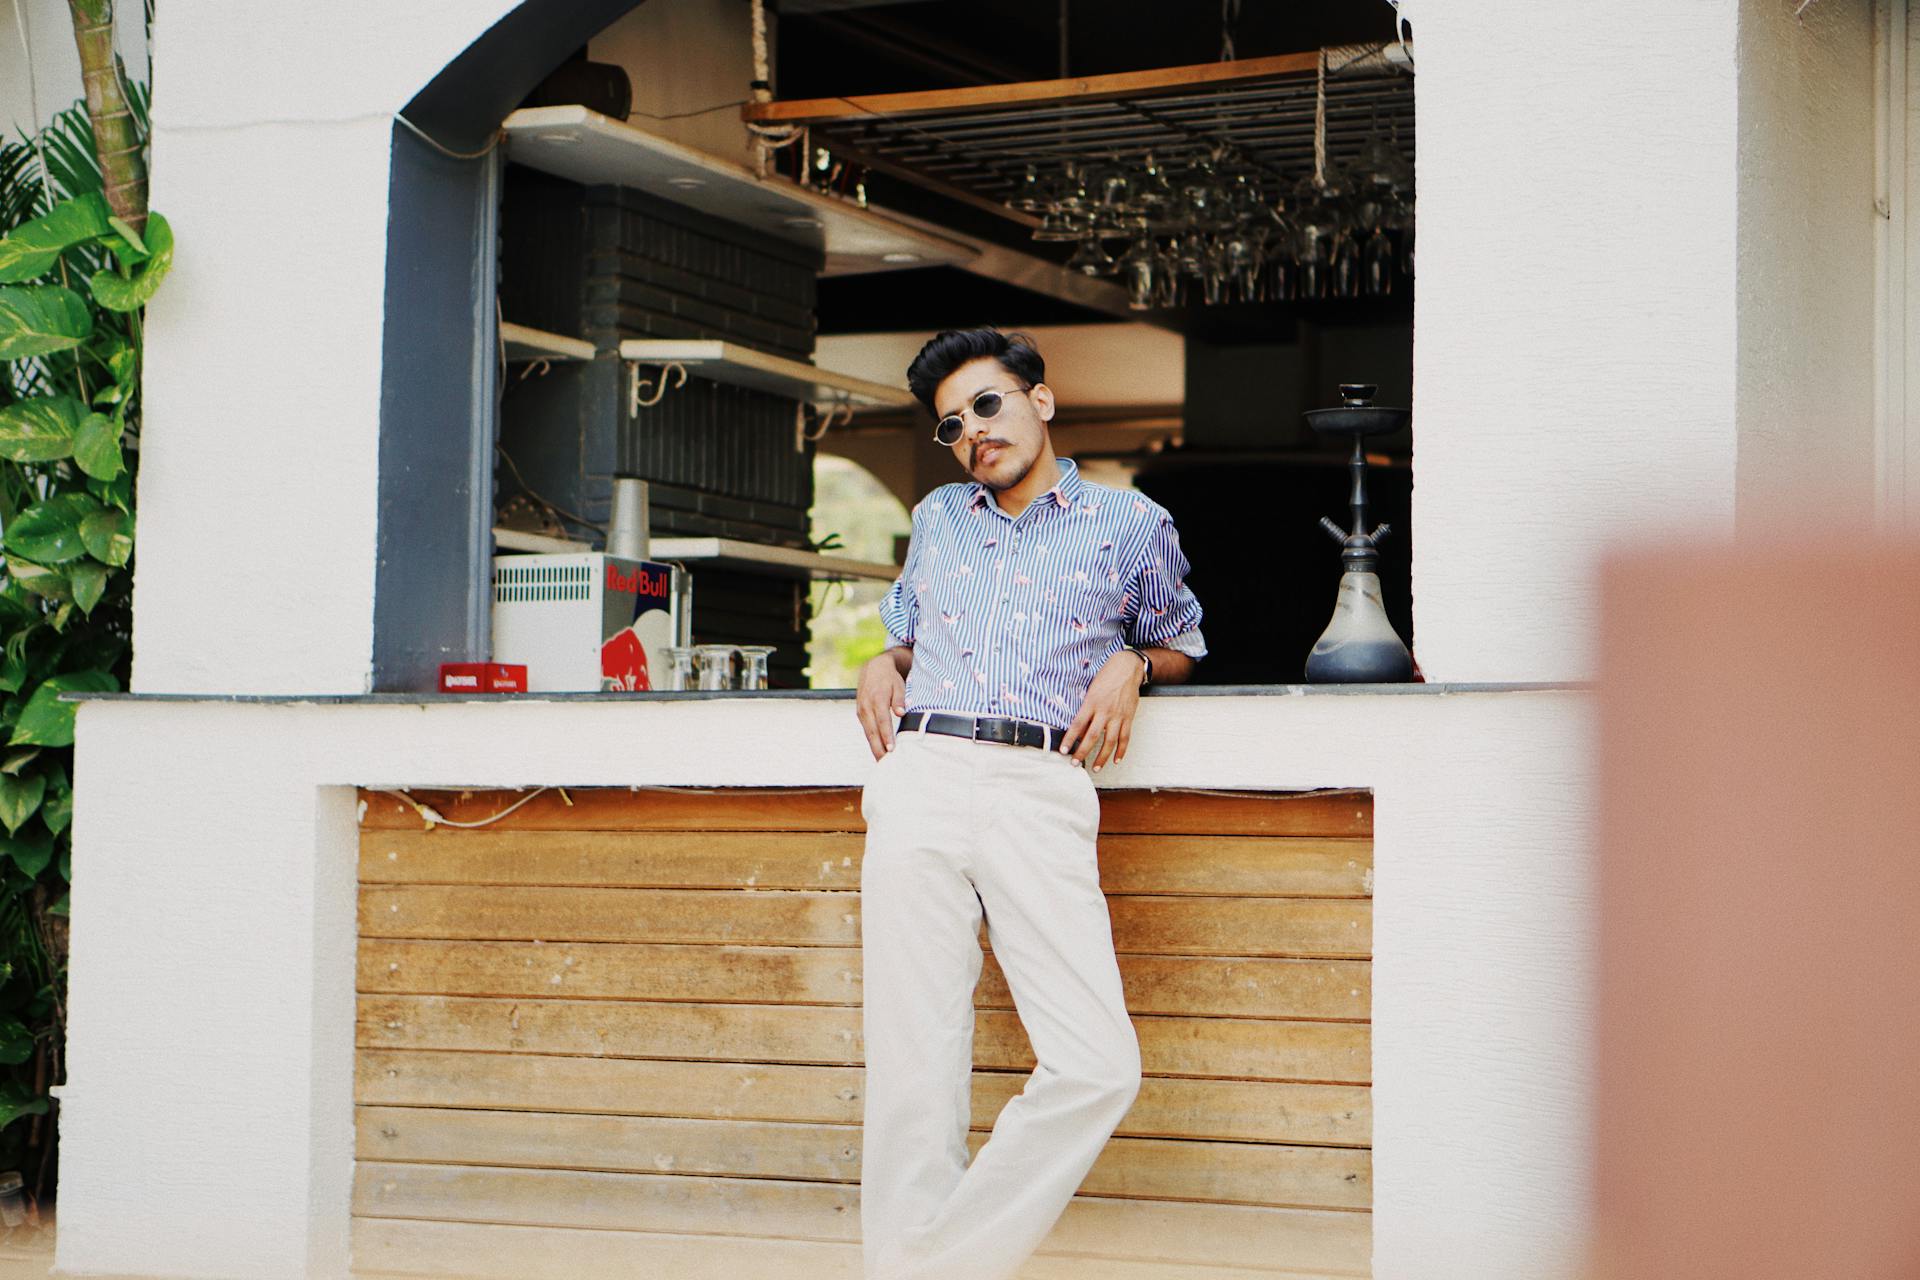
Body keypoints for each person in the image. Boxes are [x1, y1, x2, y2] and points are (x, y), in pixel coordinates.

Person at [853, 328, 1208, 1279]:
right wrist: (876, 661)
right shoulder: (939, 516)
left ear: (1039, 403)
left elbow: (1181, 640)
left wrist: (1131, 663)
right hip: (922, 771)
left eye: (987, 405)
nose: (972, 431)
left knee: (1097, 1066)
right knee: (912, 1058)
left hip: (1039, 785)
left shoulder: (1132, 521)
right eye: (952, 424)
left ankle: (938, 1265)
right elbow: (905, 637)